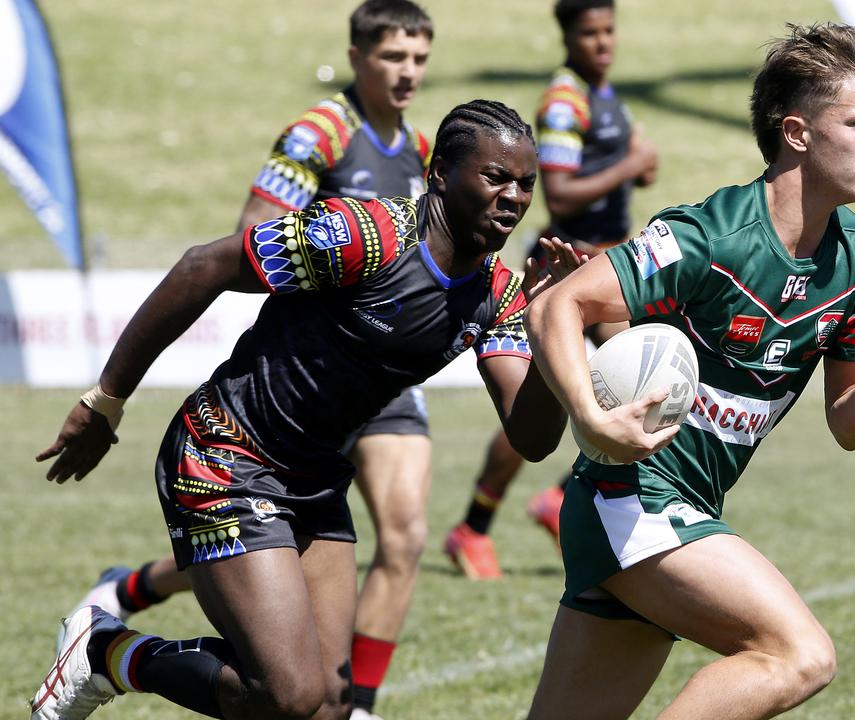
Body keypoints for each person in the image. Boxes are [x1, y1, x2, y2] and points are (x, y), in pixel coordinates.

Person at [31, 99, 580, 720]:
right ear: (439, 175)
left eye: (526, 184)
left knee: (327, 710)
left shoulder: (501, 294)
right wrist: (106, 400)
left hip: (314, 480)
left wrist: (548, 325)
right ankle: (105, 650)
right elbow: (201, 267)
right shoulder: (362, 236)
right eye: (494, 177)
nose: (513, 196)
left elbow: (532, 436)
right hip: (225, 454)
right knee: (288, 693)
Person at [522, 23, 855, 719]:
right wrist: (591, 419)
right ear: (797, 133)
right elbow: (557, 307)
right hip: (632, 498)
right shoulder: (710, 236)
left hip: (680, 509)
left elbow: (849, 426)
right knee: (799, 654)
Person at [61, 3, 443, 717]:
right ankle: (135, 594)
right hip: (308, 374)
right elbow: (253, 233)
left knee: (407, 533)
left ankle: (356, 704)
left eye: (419, 59)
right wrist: (346, 260)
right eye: (394, 57)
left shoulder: (424, 151)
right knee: (273, 547)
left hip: (385, 378)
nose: (408, 73)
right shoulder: (319, 134)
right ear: (358, 55)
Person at [443, 0, 660, 580]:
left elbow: (612, 172)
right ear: (568, 37)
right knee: (550, 399)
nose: (603, 42)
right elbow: (560, 195)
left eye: (609, 30)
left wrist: (635, 170)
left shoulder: (606, 97)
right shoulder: (564, 100)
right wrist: (631, 161)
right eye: (590, 33)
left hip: (609, 263)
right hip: (565, 266)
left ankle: (557, 499)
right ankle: (475, 527)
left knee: (649, 382)